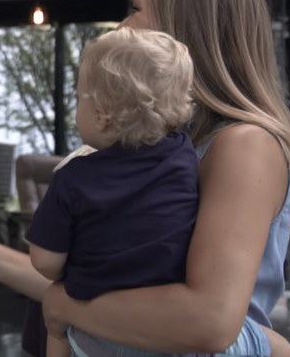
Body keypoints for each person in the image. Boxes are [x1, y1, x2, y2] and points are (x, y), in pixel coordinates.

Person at [0, 0, 290, 355]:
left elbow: (208, 321)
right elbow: (97, 290)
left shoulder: (244, 144)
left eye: (135, 9)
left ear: (184, 27)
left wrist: (64, 305)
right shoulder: (169, 144)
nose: (122, 25)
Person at [26, 27, 198, 356]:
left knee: (53, 320)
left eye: (79, 98)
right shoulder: (183, 156)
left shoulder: (73, 177)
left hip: (98, 328)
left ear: (102, 115)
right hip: (166, 327)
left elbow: (45, 262)